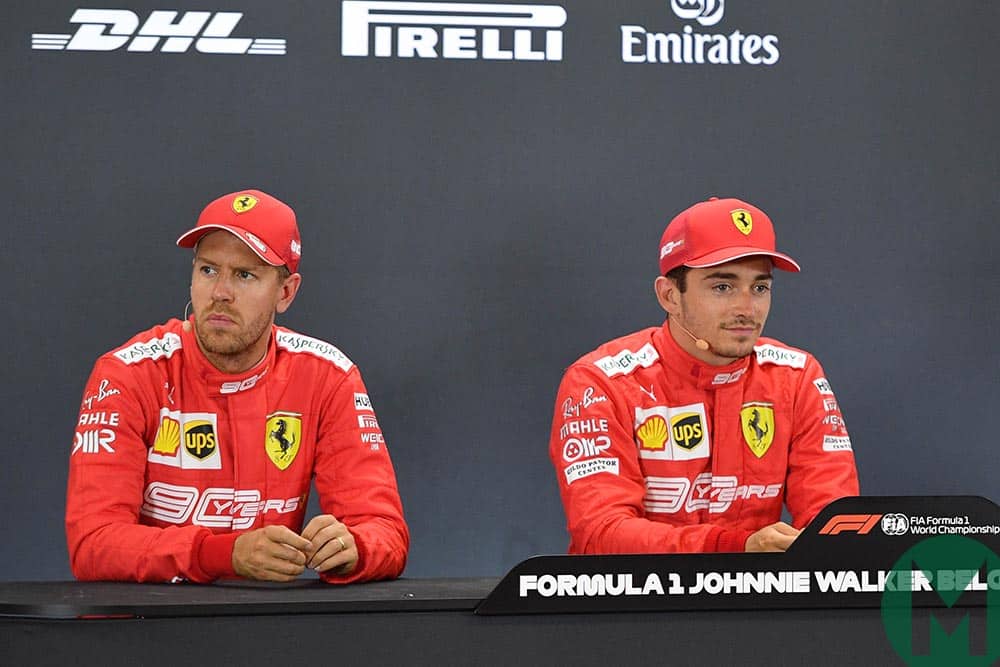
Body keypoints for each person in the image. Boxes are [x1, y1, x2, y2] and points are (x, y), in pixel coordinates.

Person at [66, 189, 409, 583]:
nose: (220, 293)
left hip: (260, 631)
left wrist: (355, 547)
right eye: (208, 270)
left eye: (244, 275)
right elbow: (93, 545)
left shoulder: (328, 377)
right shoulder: (127, 374)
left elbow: (386, 532)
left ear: (286, 292)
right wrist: (223, 554)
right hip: (142, 631)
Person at [549, 196, 859, 554]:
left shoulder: (797, 377)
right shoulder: (600, 383)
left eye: (760, 287)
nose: (747, 308)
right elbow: (601, 535)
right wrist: (734, 547)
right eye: (722, 287)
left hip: (759, 605)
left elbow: (837, 525)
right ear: (669, 296)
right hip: (634, 607)